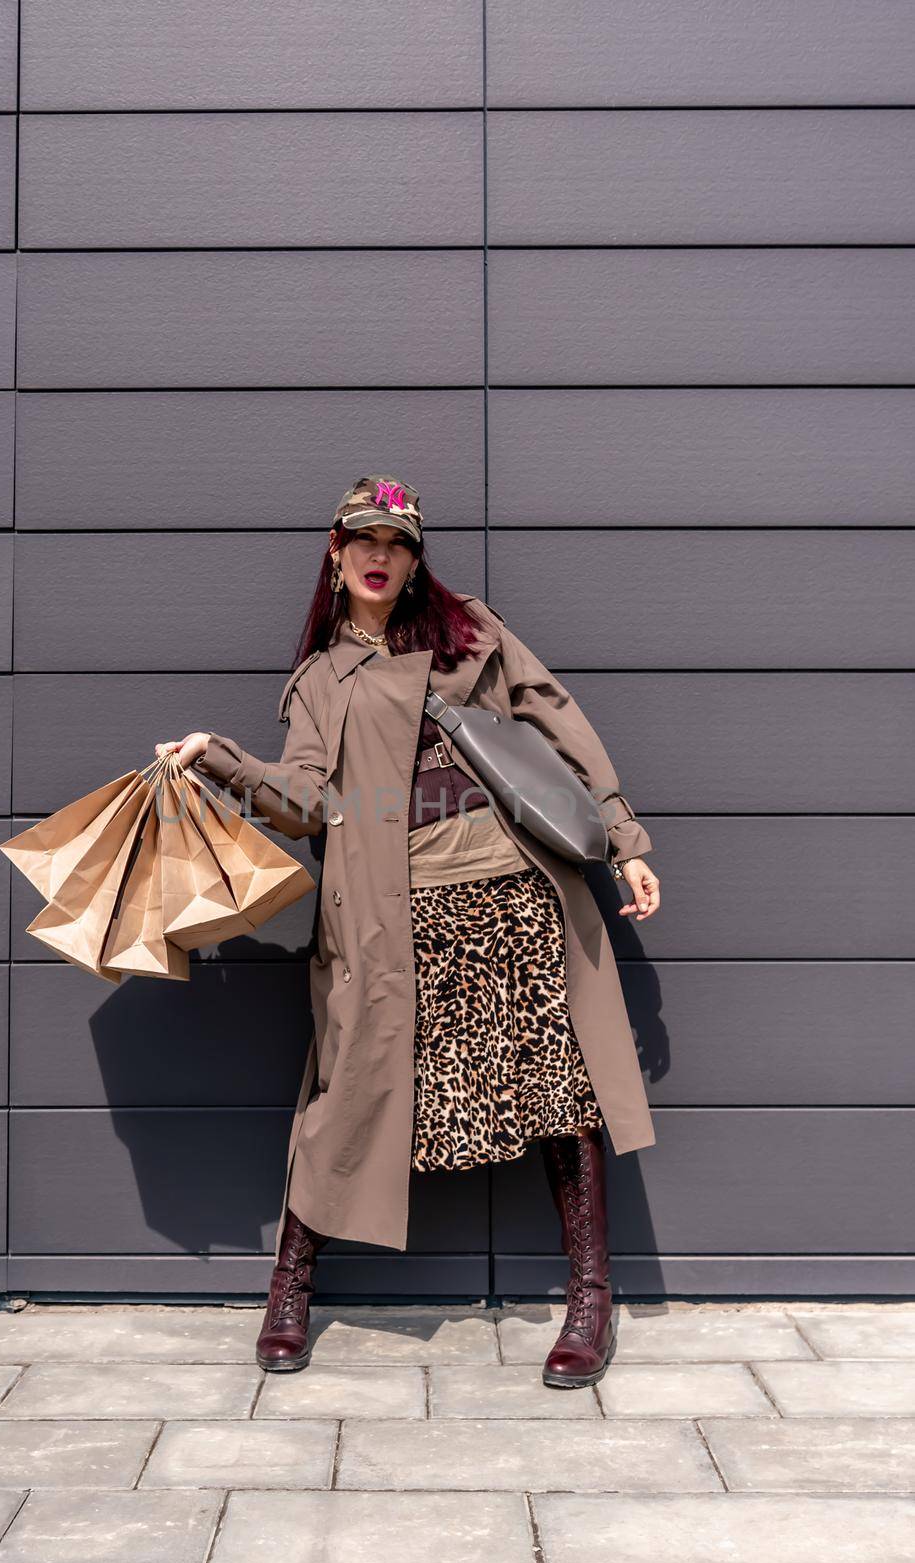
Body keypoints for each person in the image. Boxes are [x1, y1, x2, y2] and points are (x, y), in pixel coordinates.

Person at [156, 473, 660, 1389]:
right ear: (336, 554)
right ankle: (290, 1293)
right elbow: (305, 803)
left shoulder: (468, 631)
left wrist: (622, 837)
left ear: (415, 556)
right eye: (363, 541)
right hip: (393, 918)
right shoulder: (318, 677)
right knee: (344, 1096)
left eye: (396, 542)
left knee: (560, 1089)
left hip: (512, 894)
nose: (378, 557)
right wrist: (221, 761)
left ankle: (590, 1297)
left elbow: (556, 719)